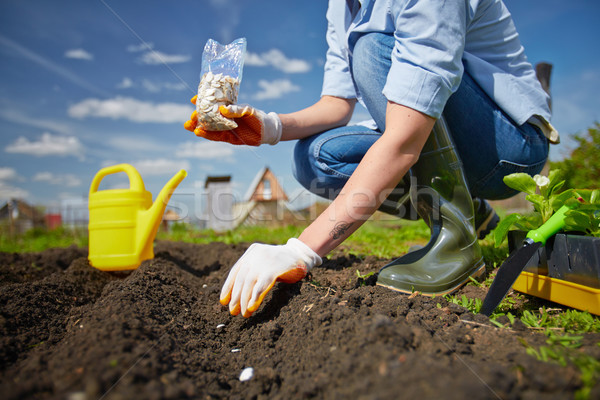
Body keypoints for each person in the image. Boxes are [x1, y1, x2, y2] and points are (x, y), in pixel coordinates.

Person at [185, 0, 559, 318]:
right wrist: (267, 128)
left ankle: (456, 235)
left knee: (372, 46)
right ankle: (473, 211)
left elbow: (404, 138)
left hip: (510, 148)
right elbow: (336, 105)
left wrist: (301, 250)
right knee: (316, 157)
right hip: (435, 129)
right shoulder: (343, 6)